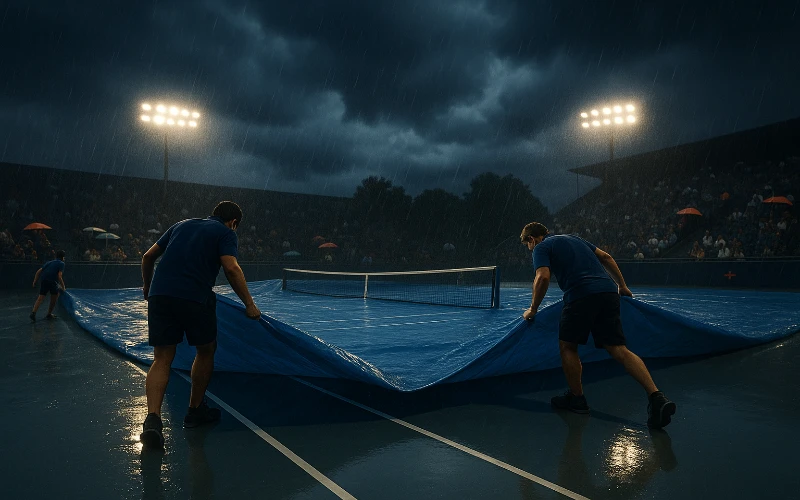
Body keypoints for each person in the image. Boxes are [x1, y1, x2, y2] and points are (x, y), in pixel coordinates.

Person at [520, 222, 676, 429]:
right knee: (619, 349)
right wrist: (622, 286)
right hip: (608, 293)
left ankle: (577, 399)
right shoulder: (575, 238)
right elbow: (606, 257)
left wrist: (533, 309)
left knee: (568, 346)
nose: (530, 248)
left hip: (581, 295)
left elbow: (543, 277)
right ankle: (657, 397)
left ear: (531, 239)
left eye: (527, 245)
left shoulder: (540, 247)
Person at [140, 201, 261, 449]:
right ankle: (195, 411)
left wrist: (147, 286)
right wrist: (249, 304)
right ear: (234, 222)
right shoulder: (226, 233)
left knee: (162, 358)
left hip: (160, 295)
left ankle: (152, 420)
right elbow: (231, 268)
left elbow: (147, 256)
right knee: (206, 350)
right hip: (194, 296)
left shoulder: (180, 225)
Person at [30, 250, 67, 322]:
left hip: (44, 280)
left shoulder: (49, 262)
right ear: (62, 257)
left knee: (40, 297)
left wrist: (35, 281)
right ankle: (49, 314)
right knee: (54, 297)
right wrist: (63, 287)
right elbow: (59, 276)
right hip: (52, 281)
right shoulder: (61, 263)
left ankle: (33, 313)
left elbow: (39, 271)